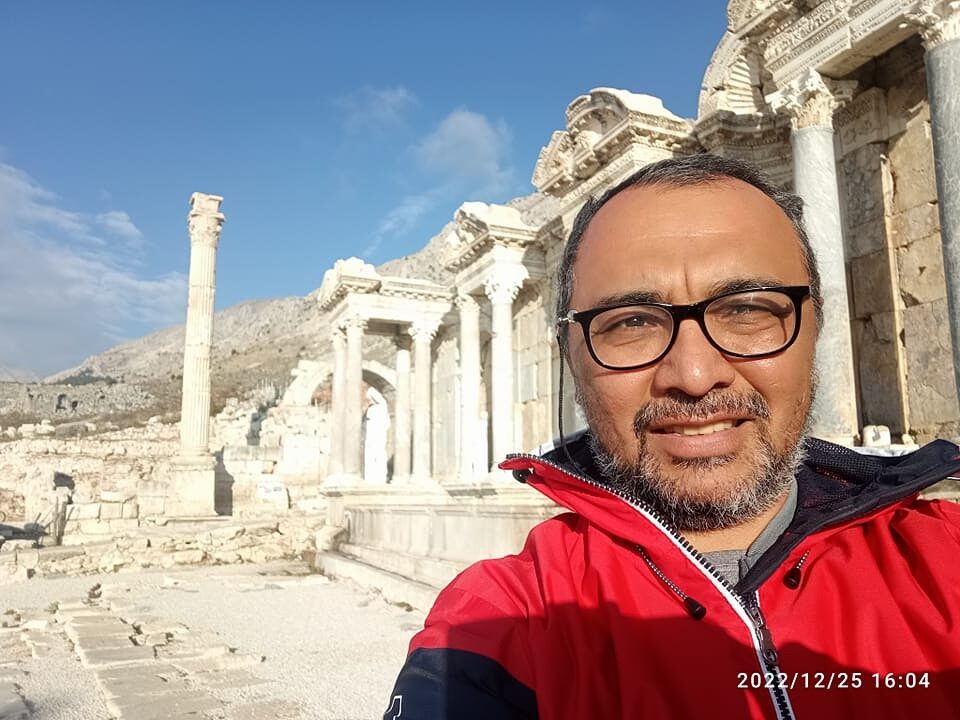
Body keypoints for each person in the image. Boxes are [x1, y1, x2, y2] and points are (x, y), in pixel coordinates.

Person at [383, 155, 960, 719]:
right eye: (632, 321)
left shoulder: (946, 557)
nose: (694, 374)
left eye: (747, 309)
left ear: (816, 329)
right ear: (570, 357)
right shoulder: (505, 620)